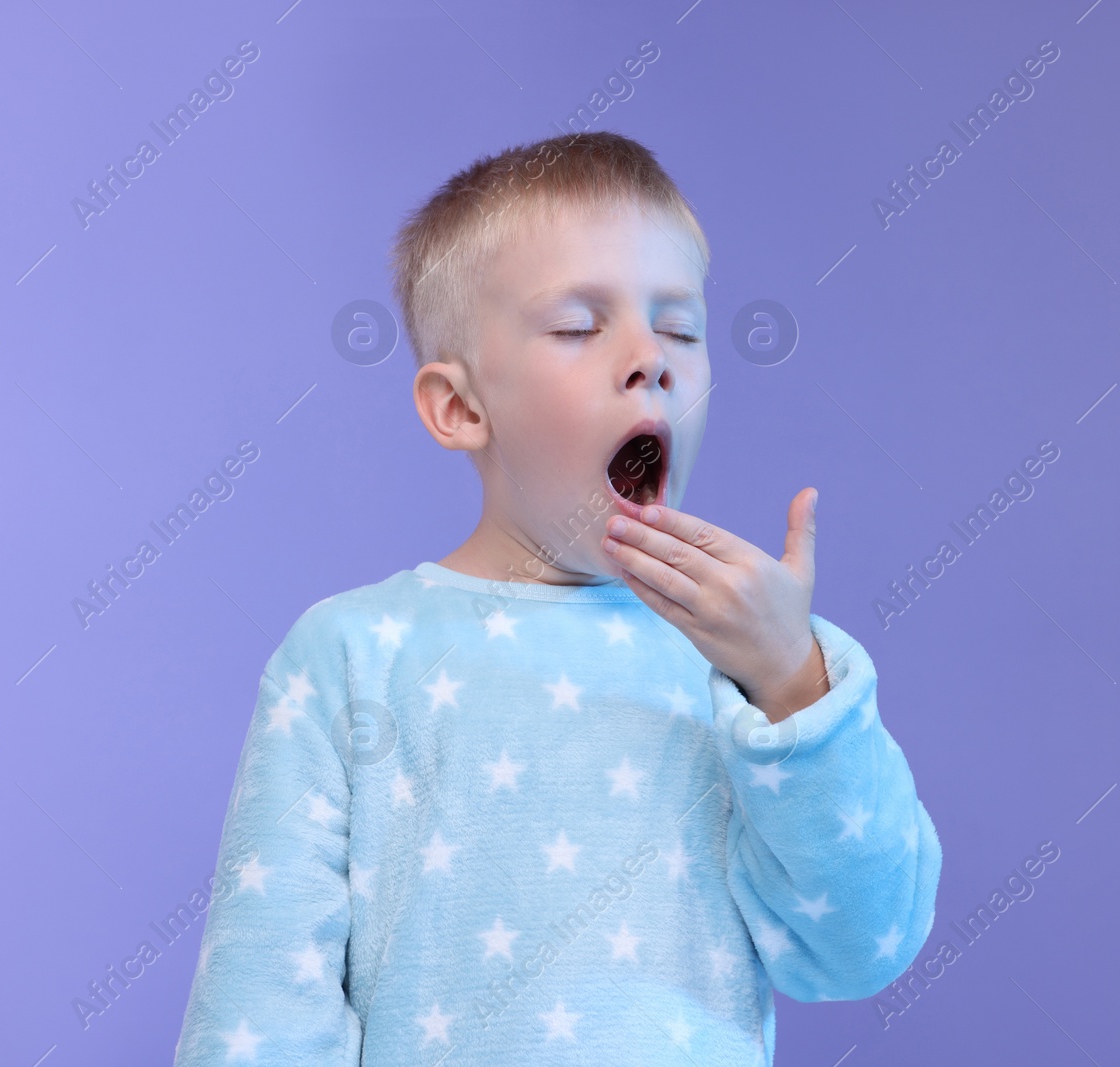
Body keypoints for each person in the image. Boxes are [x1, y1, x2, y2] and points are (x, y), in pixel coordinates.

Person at [171, 130, 941, 1065]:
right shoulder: (350, 654)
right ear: (461, 407)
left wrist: (793, 687)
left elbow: (858, 948)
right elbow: (259, 1010)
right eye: (580, 327)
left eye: (683, 331)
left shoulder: (752, 669)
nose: (649, 359)